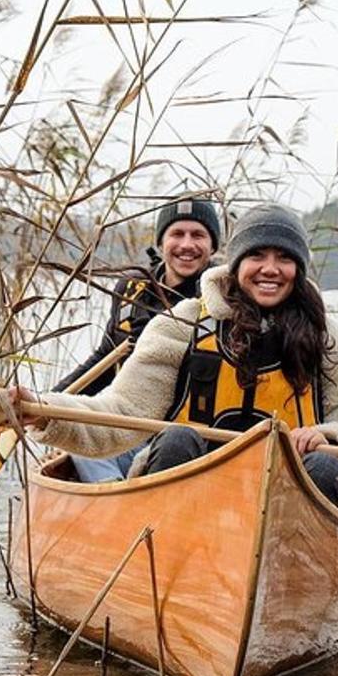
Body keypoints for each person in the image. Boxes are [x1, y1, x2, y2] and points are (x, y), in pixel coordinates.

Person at [0, 203, 338, 505]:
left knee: (327, 463)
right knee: (177, 438)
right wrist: (43, 410)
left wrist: (330, 436)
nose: (270, 269)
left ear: (299, 267)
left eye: (285, 258)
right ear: (236, 263)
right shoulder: (181, 326)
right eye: (258, 256)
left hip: (281, 507)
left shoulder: (328, 340)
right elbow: (122, 413)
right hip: (182, 502)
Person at [57, 197, 219, 482]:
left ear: (213, 246)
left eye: (198, 235)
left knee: (174, 442)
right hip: (129, 424)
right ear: (160, 242)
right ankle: (113, 495)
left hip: (187, 437)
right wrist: (50, 403)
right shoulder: (131, 289)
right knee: (80, 429)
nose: (186, 245)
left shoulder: (221, 299)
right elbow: (105, 358)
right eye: (177, 234)